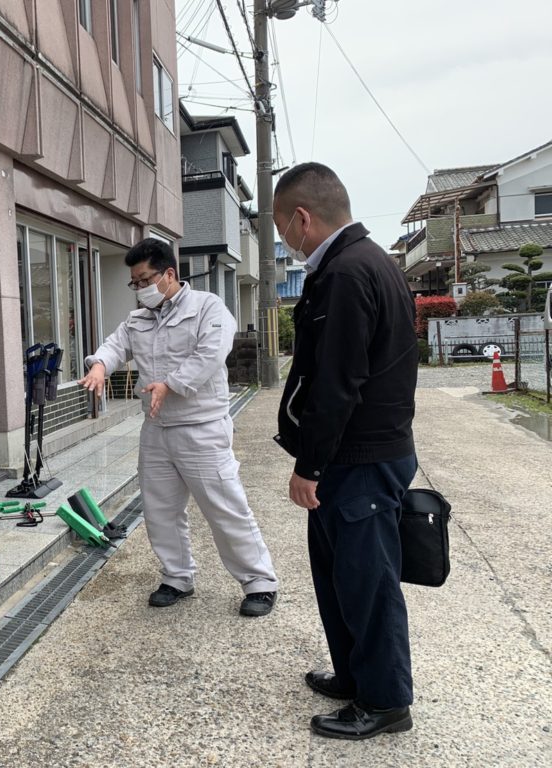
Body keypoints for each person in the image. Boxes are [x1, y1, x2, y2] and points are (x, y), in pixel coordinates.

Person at [272, 162, 419, 740]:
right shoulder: (368, 262)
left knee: (367, 583)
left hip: (358, 457)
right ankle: (356, 675)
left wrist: (309, 464)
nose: (286, 239)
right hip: (360, 453)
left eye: (282, 228)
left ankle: (385, 702)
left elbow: (337, 382)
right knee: (341, 577)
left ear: (302, 218)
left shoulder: (346, 273)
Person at [78, 238, 278, 616]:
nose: (140, 288)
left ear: (169, 274)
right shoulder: (137, 319)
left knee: (225, 508)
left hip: (201, 426)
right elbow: (115, 346)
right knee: (160, 511)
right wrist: (100, 366)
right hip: (156, 429)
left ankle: (259, 582)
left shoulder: (208, 307)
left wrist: (170, 385)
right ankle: (177, 576)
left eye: (145, 280)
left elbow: (210, 354)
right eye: (135, 283)